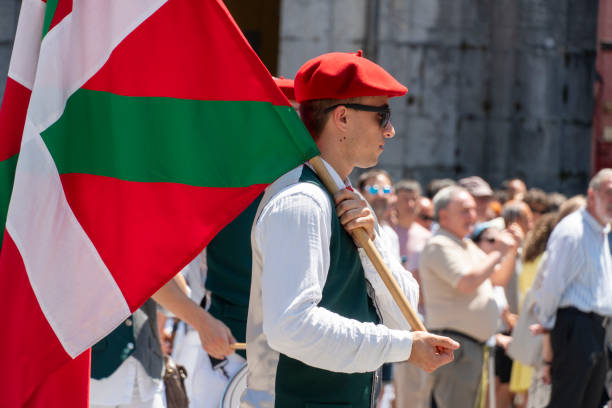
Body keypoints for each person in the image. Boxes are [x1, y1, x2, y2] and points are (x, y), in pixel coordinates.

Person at [243, 51, 459, 408]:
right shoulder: (302, 203)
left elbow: (404, 317)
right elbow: (292, 327)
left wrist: (369, 241)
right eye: (382, 116)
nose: (390, 130)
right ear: (342, 117)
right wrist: (404, 349)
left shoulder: (346, 198)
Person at [420, 185, 517, 408]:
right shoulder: (439, 245)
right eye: (465, 210)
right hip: (457, 348)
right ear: (443, 215)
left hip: (469, 348)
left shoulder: (464, 244)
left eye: (473, 209)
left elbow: (497, 278)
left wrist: (510, 251)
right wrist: (498, 252)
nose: (472, 215)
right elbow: (467, 282)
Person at [533, 168, 612, 408]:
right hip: (576, 328)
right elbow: (552, 285)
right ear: (592, 195)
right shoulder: (573, 231)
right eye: (609, 193)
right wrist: (547, 325)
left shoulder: (602, 231)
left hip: (597, 329)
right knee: (568, 402)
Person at [358, 168, 401, 261]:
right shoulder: (355, 228)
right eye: (373, 190)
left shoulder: (391, 234)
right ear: (360, 193)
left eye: (386, 190)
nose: (380, 195)